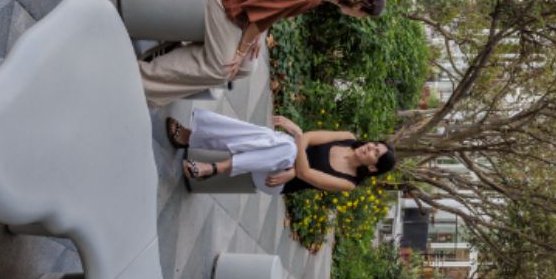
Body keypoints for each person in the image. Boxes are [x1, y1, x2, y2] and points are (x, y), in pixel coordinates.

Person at [138, 0, 387, 108]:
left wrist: (255, 36)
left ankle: (168, 60)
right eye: (363, 14)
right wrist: (240, 49)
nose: (359, 18)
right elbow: (258, 14)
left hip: (239, 3)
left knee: (246, 67)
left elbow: (271, 5)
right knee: (223, 67)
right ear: (357, 2)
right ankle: (142, 80)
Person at [168, 111, 395, 193]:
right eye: (375, 144)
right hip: (278, 155)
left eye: (375, 153)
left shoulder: (349, 182)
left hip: (276, 181)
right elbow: (308, 138)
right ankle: (213, 167)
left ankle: (190, 137)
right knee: (274, 141)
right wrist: (299, 153)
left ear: (373, 167)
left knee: (285, 144)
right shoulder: (348, 137)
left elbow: (306, 173)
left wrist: (295, 169)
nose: (370, 147)